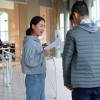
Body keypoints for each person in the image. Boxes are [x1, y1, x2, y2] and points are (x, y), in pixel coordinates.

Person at [62, 1, 100, 100]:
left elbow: (66, 59)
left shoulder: (72, 33)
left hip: (80, 85)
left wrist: (67, 81)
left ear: (75, 14)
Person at [21, 16, 50, 100]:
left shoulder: (35, 41)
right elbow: (29, 61)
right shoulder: (30, 42)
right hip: (34, 77)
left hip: (39, 75)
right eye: (41, 26)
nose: (43, 28)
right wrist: (43, 54)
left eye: (44, 26)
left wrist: (44, 52)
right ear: (33, 26)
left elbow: (35, 56)